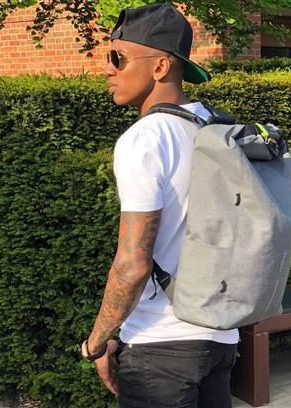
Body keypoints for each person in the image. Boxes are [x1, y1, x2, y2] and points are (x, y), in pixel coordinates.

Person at [80, 4, 239, 407]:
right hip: (221, 337)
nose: (107, 69)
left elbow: (132, 264)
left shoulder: (145, 138)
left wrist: (97, 342)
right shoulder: (216, 127)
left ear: (160, 66)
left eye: (118, 57)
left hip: (160, 349)